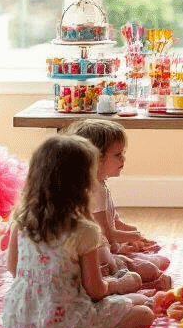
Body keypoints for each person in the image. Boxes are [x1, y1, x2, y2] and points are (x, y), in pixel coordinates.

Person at [2, 135, 155, 328]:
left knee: (134, 301)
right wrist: (120, 284)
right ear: (83, 182)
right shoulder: (84, 230)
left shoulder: (22, 220)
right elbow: (96, 290)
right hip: (66, 325)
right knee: (144, 313)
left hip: (19, 324)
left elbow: (13, 268)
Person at [68, 117, 172, 292]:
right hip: (101, 254)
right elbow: (107, 233)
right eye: (118, 155)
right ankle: (142, 284)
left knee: (159, 260)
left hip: (108, 248)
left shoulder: (100, 185)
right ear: (96, 159)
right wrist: (133, 238)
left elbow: (115, 221)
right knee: (151, 267)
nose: (123, 159)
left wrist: (136, 234)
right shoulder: (96, 190)